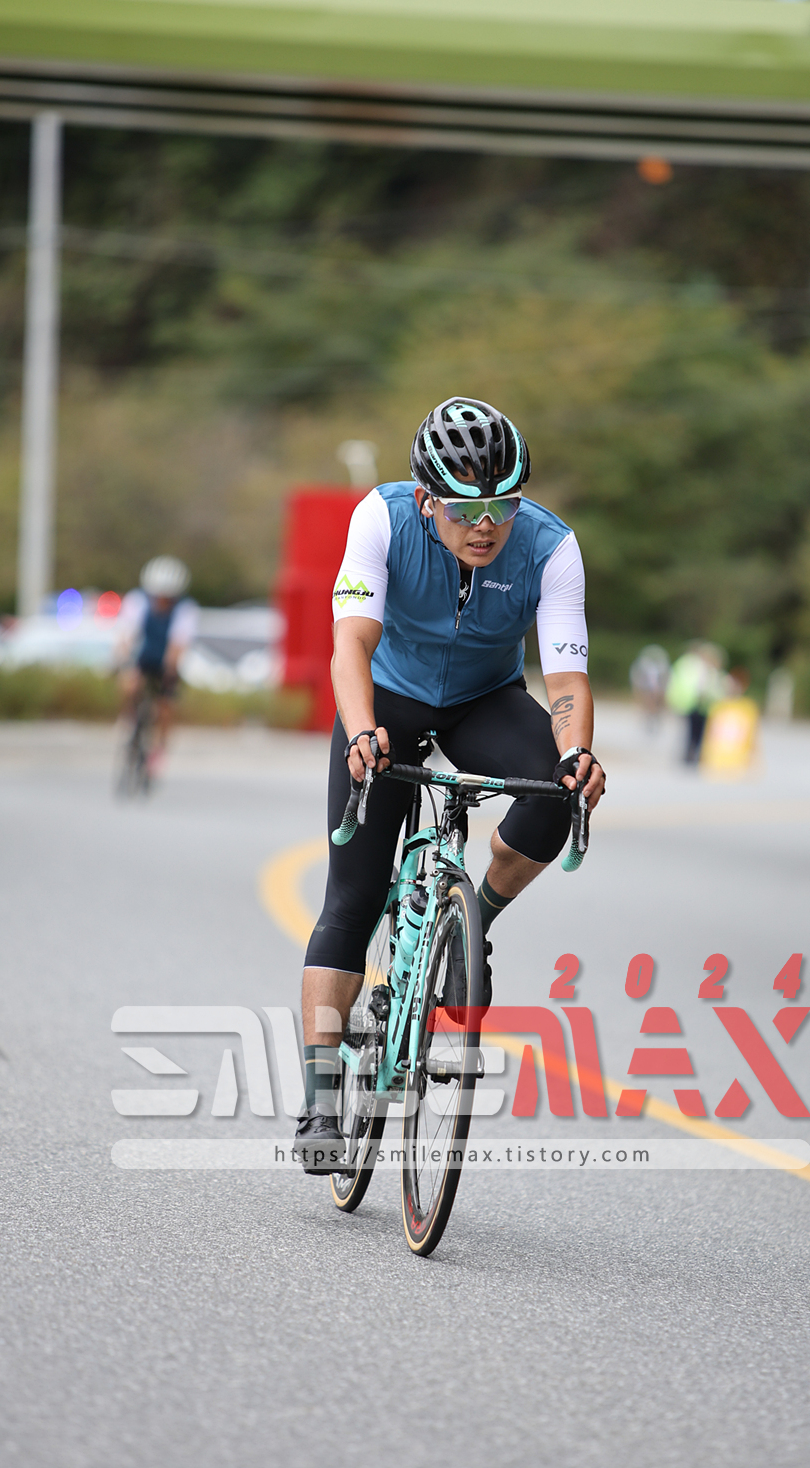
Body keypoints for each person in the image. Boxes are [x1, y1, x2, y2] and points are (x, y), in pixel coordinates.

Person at [293, 397, 606, 1168]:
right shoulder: (382, 518)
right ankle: (321, 1104)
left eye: (503, 504)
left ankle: (474, 923)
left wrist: (577, 753)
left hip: (483, 701)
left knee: (556, 795)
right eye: (465, 508)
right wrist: (361, 729)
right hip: (387, 699)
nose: (486, 525)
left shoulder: (551, 547)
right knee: (353, 899)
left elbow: (566, 676)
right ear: (427, 499)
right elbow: (350, 643)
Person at [113, 556, 197, 777]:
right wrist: (125, 661)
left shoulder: (185, 609)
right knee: (129, 684)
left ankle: (160, 749)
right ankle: (128, 720)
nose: (162, 600)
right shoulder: (137, 601)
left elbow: (178, 644)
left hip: (165, 660)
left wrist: (170, 670)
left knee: (166, 705)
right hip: (142, 657)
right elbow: (126, 636)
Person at [666, 642, 727, 766]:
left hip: (696, 704)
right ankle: (693, 754)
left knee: (694, 732)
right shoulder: (702, 669)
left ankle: (691, 753)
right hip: (698, 705)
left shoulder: (691, 666)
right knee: (696, 732)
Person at [629, 643, 671, 732]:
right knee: (649, 704)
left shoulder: (659, 668)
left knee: (656, 705)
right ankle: (650, 719)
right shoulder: (646, 668)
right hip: (648, 689)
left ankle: (654, 718)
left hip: (656, 689)